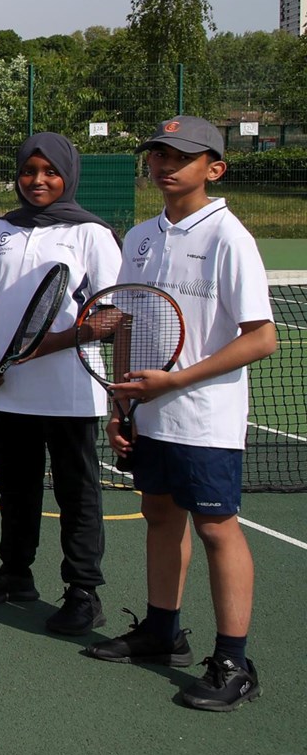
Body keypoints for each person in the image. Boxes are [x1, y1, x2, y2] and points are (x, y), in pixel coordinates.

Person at [83, 116, 276, 713]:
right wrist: (122, 401)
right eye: (158, 155)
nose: (165, 166)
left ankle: (234, 662)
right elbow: (126, 316)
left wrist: (177, 380)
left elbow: (262, 337)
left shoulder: (228, 236)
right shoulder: (140, 235)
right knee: (159, 514)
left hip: (204, 415)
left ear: (213, 169)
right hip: (150, 412)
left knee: (217, 528)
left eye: (182, 157)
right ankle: (161, 632)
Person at [0, 132, 123, 633]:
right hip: (10, 387)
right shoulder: (2, 231)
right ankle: (15, 573)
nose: (38, 181)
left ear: (67, 174)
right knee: (16, 487)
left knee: (77, 494)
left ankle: (83, 593)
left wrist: (59, 341)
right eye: (29, 171)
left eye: (49, 171)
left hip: (72, 390)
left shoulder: (92, 234)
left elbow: (114, 313)